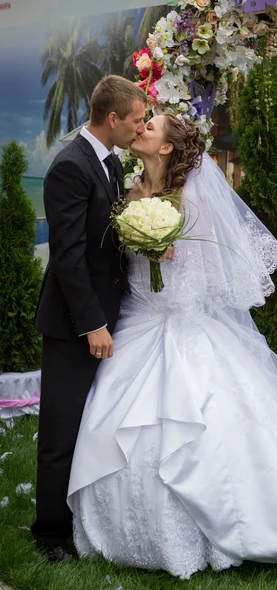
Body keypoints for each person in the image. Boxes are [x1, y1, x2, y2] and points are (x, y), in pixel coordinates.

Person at [67, 113, 277, 579]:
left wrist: (169, 250)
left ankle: (240, 528)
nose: (141, 129)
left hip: (185, 327)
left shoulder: (194, 200)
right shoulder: (127, 192)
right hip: (138, 325)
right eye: (140, 123)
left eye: (151, 127)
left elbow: (207, 281)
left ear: (167, 148)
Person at [31, 75, 147, 562]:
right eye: (137, 120)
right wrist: (92, 324)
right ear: (113, 117)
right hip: (73, 325)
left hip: (108, 316)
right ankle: (50, 534)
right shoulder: (68, 167)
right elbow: (68, 257)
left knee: (91, 424)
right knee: (61, 431)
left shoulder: (111, 161)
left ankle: (82, 515)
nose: (141, 129)